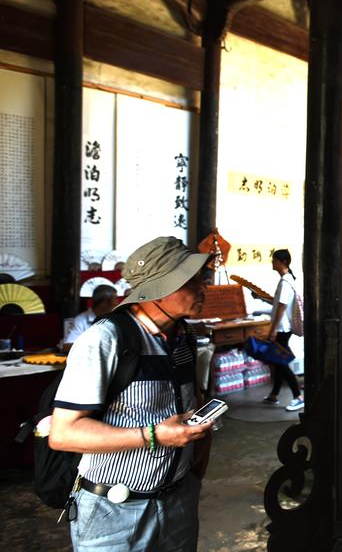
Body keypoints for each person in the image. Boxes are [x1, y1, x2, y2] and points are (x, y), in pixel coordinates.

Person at [49, 236, 217, 551]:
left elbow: (193, 400)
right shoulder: (106, 339)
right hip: (113, 512)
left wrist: (193, 477)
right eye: (190, 281)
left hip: (178, 503)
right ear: (158, 289)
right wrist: (154, 435)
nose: (203, 288)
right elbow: (63, 434)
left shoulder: (184, 336)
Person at [261, 249, 303, 412]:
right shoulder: (288, 279)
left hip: (282, 328)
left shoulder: (286, 281)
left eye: (274, 260)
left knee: (280, 362)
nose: (272, 263)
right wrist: (261, 297)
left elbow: (282, 306)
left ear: (283, 262)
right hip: (284, 327)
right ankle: (274, 394)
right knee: (278, 360)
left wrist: (273, 329)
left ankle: (298, 396)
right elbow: (278, 302)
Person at [62, 284, 119, 350]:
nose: (117, 303)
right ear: (104, 303)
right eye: (115, 299)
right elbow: (67, 346)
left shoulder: (115, 318)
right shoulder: (81, 320)